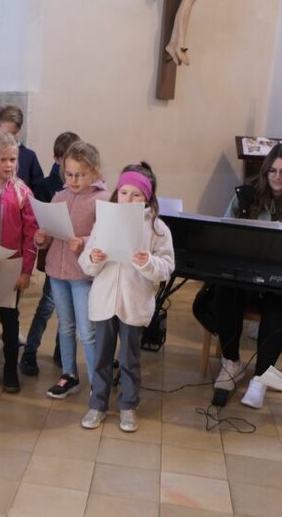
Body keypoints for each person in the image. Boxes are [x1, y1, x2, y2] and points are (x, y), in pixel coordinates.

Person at [209, 143, 282, 409]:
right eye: (272, 170)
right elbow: (224, 229)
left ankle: (261, 377)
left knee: (279, 305)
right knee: (225, 289)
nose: (277, 177)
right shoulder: (247, 194)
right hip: (248, 272)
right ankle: (231, 363)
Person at [79, 163, 174, 433]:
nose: (128, 199)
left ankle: (128, 405)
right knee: (101, 358)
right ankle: (97, 404)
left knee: (130, 358)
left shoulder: (158, 229)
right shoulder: (104, 223)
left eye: (136, 195)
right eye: (124, 193)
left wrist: (148, 262)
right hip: (105, 302)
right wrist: (94, 259)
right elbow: (86, 263)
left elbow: (166, 267)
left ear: (147, 197)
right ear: (117, 193)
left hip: (134, 304)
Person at [35, 141, 110, 399]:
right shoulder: (59, 196)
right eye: (69, 174)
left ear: (94, 172)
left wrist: (86, 242)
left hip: (83, 275)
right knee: (65, 326)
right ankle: (69, 374)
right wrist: (42, 239)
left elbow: (107, 236)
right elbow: (52, 232)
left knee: (86, 330)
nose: (74, 180)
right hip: (57, 271)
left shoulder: (103, 199)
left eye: (80, 174)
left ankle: (97, 382)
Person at [0, 132, 38, 393]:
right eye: (4, 159)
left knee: (10, 322)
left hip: (13, 267)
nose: (9, 165)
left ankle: (11, 369)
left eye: (13, 159)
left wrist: (26, 271)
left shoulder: (23, 192)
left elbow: (31, 234)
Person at [21, 130, 81, 376]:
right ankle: (29, 352)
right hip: (55, 256)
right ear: (57, 159)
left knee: (71, 311)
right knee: (47, 306)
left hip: (76, 259)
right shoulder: (47, 186)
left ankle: (61, 351)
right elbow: (40, 220)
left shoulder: (83, 188)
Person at [0, 105, 45, 190]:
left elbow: (38, 189)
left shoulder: (29, 156)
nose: (9, 137)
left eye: (14, 133)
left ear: (19, 131)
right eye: (5, 133)